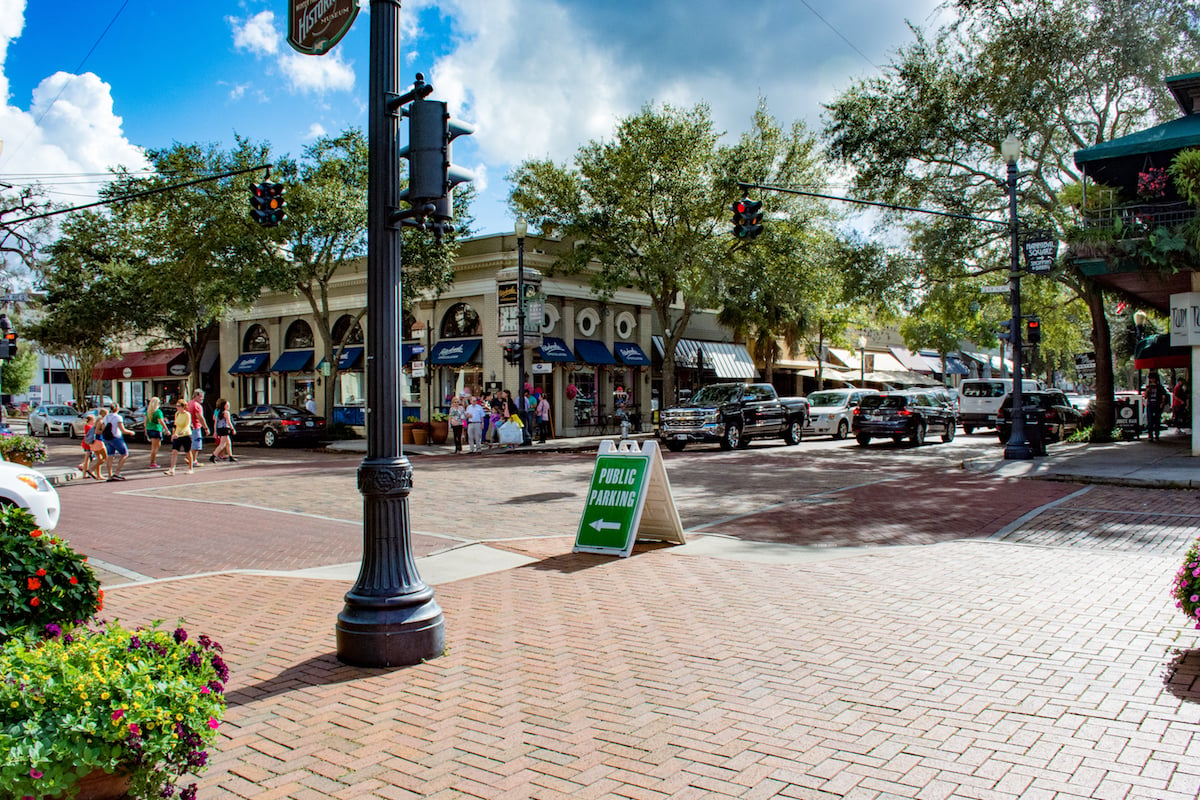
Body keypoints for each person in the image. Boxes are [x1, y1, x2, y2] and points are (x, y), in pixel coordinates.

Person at [100, 403, 132, 482]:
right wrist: (131, 432)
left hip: (107, 438)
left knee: (110, 456)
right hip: (116, 438)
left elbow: (103, 428)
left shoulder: (106, 417)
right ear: (117, 409)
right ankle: (117, 473)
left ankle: (109, 475)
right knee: (124, 454)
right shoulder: (118, 417)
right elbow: (123, 430)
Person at [164, 405, 194, 476]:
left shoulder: (187, 414)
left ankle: (190, 468)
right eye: (177, 406)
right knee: (174, 451)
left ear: (183, 407)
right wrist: (173, 434)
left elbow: (187, 425)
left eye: (179, 406)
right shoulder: (177, 414)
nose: (177, 407)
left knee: (188, 452)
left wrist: (180, 433)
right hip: (177, 435)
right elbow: (175, 425)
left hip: (186, 435)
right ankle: (172, 469)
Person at [210, 398, 237, 463]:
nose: (228, 406)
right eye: (227, 405)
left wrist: (215, 431)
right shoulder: (226, 412)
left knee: (228, 443)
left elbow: (215, 422)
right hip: (225, 429)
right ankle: (213, 456)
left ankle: (231, 456)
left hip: (220, 429)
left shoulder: (218, 412)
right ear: (224, 405)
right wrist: (232, 429)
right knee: (222, 444)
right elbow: (228, 422)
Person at [187, 389, 209, 467]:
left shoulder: (189, 403)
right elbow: (200, 417)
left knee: (190, 444)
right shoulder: (197, 405)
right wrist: (206, 428)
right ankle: (193, 460)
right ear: (196, 396)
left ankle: (189, 458)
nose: (202, 399)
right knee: (196, 445)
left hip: (189, 427)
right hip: (196, 426)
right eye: (200, 397)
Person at [77, 413, 102, 479]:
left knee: (89, 458)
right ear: (90, 420)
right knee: (88, 458)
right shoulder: (89, 427)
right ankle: (84, 470)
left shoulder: (87, 426)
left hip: (87, 443)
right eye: (93, 420)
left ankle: (84, 471)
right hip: (89, 443)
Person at [144, 397, 166, 468]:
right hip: (156, 429)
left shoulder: (148, 412)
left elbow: (145, 422)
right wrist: (166, 429)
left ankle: (153, 461)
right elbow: (161, 421)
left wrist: (145, 431)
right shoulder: (158, 412)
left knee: (156, 446)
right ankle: (152, 462)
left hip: (149, 429)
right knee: (155, 447)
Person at [1143, 372, 1166, 441]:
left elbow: (1163, 396)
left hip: (1157, 404)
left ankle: (1156, 434)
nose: (1152, 380)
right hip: (1150, 404)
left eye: (1153, 378)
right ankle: (1150, 435)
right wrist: (1147, 391)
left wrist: (1162, 403)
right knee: (1150, 420)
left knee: (1157, 420)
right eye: (1151, 379)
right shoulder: (1148, 387)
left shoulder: (1160, 387)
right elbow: (1145, 396)